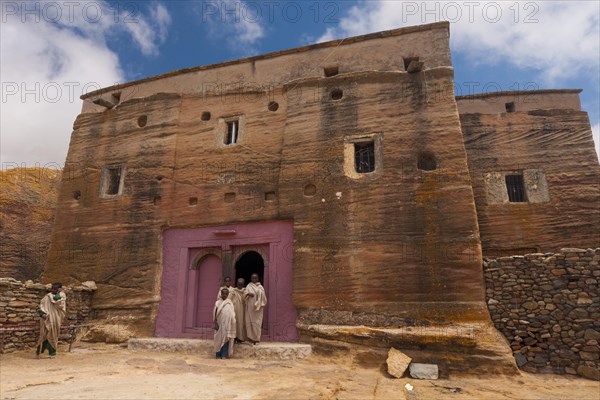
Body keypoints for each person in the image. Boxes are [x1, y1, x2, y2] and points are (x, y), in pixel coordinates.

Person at [36, 282, 66, 359]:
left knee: (53, 335)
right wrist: (42, 313)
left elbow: (58, 302)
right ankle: (38, 352)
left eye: (55, 289)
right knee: (43, 335)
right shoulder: (47, 297)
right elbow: (41, 305)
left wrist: (59, 292)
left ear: (59, 289)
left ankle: (52, 353)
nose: (52, 290)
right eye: (52, 288)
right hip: (46, 318)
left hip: (55, 318)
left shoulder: (62, 295)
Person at [244, 273, 267, 345]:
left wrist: (259, 293)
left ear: (257, 279)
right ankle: (251, 338)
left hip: (258, 309)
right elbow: (244, 295)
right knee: (250, 322)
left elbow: (263, 298)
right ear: (251, 279)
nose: (254, 279)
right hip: (250, 308)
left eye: (255, 278)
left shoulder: (260, 287)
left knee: (257, 323)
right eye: (252, 278)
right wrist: (248, 294)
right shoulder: (248, 286)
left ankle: (256, 338)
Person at [213, 288, 236, 359]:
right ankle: (218, 354)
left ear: (228, 294)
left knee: (226, 339)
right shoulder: (217, 303)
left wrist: (233, 323)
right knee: (218, 339)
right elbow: (215, 314)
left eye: (226, 294)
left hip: (227, 325)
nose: (224, 295)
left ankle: (224, 355)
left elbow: (232, 315)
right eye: (223, 293)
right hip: (219, 325)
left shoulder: (229, 303)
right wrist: (215, 323)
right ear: (221, 294)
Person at [230, 278, 247, 343]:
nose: (240, 285)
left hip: (242, 310)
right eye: (239, 284)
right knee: (234, 323)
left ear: (243, 284)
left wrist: (247, 295)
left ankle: (240, 338)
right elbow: (229, 299)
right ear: (237, 283)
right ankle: (234, 337)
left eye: (241, 284)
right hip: (234, 309)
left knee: (241, 324)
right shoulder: (233, 291)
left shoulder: (245, 291)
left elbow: (246, 300)